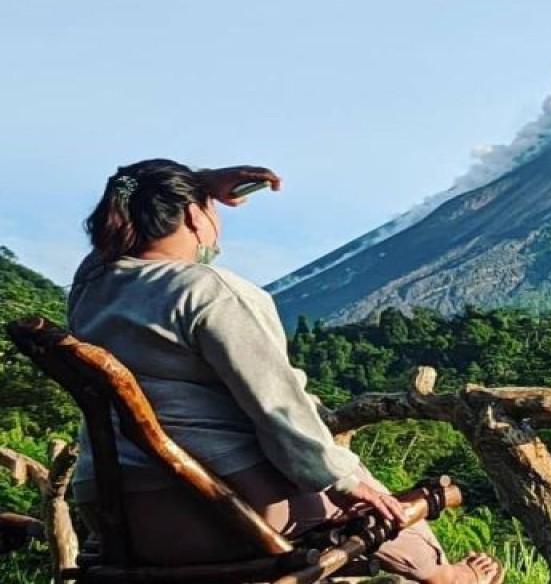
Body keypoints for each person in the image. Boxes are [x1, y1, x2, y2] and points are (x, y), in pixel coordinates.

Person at [68, 158, 503, 584]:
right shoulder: (208, 291)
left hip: (116, 519)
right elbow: (278, 406)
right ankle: (445, 575)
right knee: (363, 491)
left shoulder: (92, 289)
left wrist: (185, 185)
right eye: (209, 209)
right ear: (193, 215)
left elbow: (104, 255)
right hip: (220, 513)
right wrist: (344, 480)